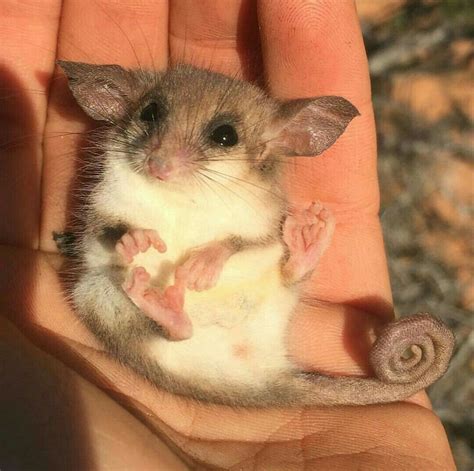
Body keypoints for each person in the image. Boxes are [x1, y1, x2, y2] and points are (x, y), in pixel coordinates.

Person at [0, 0, 455, 468]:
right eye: (154, 116)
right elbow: (107, 224)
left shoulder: (252, 190)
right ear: (117, 101)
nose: (163, 158)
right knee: (96, 285)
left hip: (227, 336)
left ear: (267, 146)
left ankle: (203, 307)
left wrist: (221, 250)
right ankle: (182, 317)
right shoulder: (122, 164)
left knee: (258, 252)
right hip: (187, 347)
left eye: (221, 137)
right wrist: (125, 240)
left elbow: (249, 236)